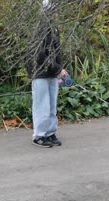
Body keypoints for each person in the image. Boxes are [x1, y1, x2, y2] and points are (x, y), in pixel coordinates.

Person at [26, 1, 68, 148]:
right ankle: (39, 135)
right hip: (40, 73)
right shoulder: (40, 27)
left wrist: (59, 70)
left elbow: (56, 52)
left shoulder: (53, 28)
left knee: (51, 105)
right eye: (54, 9)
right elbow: (39, 55)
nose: (57, 12)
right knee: (41, 105)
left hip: (51, 73)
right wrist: (57, 69)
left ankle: (50, 132)